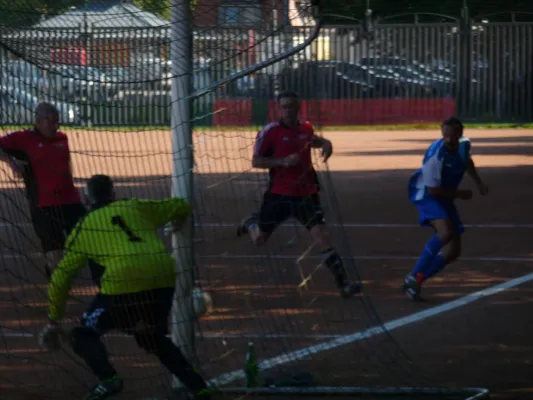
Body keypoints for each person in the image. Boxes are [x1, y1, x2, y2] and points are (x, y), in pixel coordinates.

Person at [38, 175, 210, 400]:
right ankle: (201, 389)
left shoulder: (84, 227)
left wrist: (53, 319)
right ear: (113, 193)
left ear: (87, 198)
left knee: (83, 334)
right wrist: (177, 218)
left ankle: (108, 379)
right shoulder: (135, 206)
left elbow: (61, 278)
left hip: (122, 281)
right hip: (163, 274)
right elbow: (179, 206)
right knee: (153, 338)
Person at [236, 91, 360, 298]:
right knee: (260, 239)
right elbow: (256, 161)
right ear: (279, 108)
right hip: (279, 196)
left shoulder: (306, 127)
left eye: (292, 106)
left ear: (298, 106)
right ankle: (251, 223)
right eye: (284, 107)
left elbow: (314, 140)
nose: (288, 110)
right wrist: (282, 162)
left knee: (323, 237)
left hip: (306, 194)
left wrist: (327, 143)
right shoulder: (270, 132)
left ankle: (344, 284)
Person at [404, 117, 488, 301]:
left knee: (453, 252)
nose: (449, 139)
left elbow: (467, 161)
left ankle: (417, 280)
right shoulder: (435, 155)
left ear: (461, 133)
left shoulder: (464, 145)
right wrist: (460, 194)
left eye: (453, 135)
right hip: (427, 194)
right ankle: (414, 274)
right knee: (446, 232)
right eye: (446, 135)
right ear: (442, 134)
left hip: (445, 195)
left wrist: (478, 182)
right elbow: (433, 190)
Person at [0, 102, 86, 278]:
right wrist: (11, 162)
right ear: (39, 121)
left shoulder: (62, 138)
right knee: (56, 256)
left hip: (71, 202)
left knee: (89, 242)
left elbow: (67, 168)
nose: (57, 126)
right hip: (44, 207)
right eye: (53, 122)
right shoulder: (23, 139)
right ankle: (55, 284)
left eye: (58, 122)